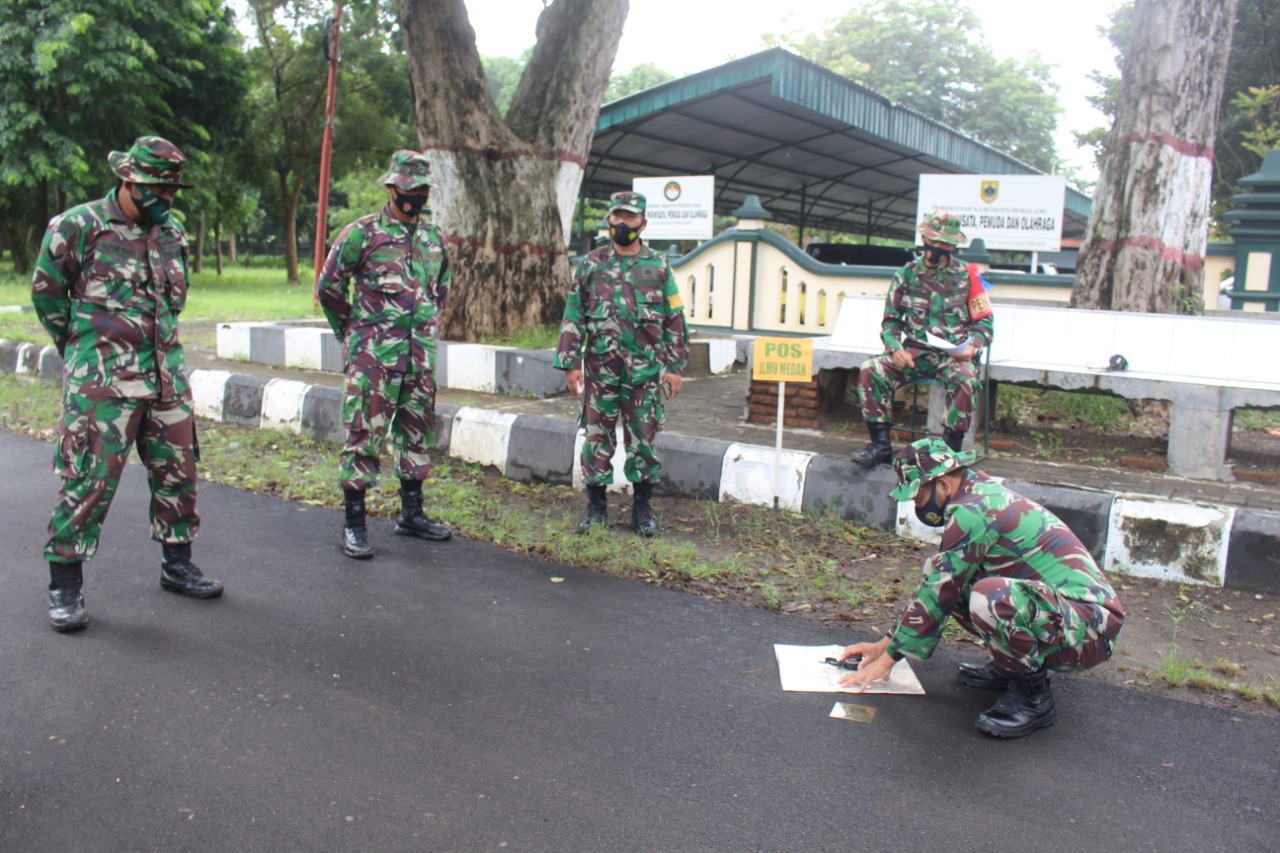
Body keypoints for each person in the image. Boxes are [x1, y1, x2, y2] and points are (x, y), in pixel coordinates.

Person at [32, 136, 224, 633]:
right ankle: (65, 586)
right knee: (88, 482)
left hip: (165, 376)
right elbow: (49, 297)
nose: (166, 198)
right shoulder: (77, 226)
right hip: (103, 383)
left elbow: (173, 301)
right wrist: (82, 350)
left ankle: (177, 564)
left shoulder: (171, 230)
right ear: (128, 182)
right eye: (156, 189)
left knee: (179, 474)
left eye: (172, 189)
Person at [837, 437, 1125, 738]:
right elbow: (940, 582)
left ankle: (1033, 697)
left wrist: (888, 659)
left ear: (944, 485)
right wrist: (884, 644)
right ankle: (1011, 665)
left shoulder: (974, 510)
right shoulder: (975, 494)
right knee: (950, 576)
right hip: (1066, 617)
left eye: (919, 498)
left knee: (991, 597)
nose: (917, 507)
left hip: (1092, 629)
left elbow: (939, 590)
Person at [316, 150, 453, 559]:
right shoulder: (361, 233)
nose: (414, 196)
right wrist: (355, 332)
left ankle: (411, 514)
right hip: (373, 359)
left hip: (418, 359)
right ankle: (354, 524)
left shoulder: (434, 239)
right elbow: (329, 287)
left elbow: (439, 293)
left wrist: (423, 331)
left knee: (416, 432)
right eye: (407, 189)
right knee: (363, 434)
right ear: (391, 187)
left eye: (422, 189)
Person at [553, 191, 689, 537]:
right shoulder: (591, 265)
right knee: (596, 439)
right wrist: (571, 365)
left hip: (644, 374)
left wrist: (674, 366)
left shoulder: (658, 266)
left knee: (643, 440)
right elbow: (574, 315)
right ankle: (596, 508)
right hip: (600, 372)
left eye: (630, 218)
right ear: (609, 220)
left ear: (643, 223)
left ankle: (642, 510)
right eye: (617, 216)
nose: (623, 223)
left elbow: (674, 318)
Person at [850, 210, 993, 467]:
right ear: (925, 239)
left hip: (951, 356)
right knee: (870, 370)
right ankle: (880, 445)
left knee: (966, 380)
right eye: (937, 241)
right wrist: (895, 349)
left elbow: (985, 321)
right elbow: (891, 322)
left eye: (948, 244)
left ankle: (948, 453)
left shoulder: (967, 276)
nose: (942, 248)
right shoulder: (906, 274)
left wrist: (972, 348)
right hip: (913, 355)